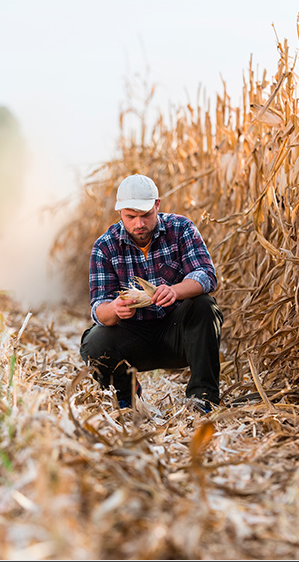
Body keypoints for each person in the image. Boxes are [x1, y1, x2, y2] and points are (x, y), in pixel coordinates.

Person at [79, 174, 223, 413]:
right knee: (93, 343)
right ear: (120, 212)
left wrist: (175, 291)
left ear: (157, 205)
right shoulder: (105, 247)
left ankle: (203, 397)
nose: (139, 224)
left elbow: (206, 274)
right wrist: (115, 309)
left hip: (179, 334)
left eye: (146, 215)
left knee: (205, 306)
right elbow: (99, 309)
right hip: (133, 337)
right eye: (130, 217)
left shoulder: (181, 229)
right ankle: (126, 395)